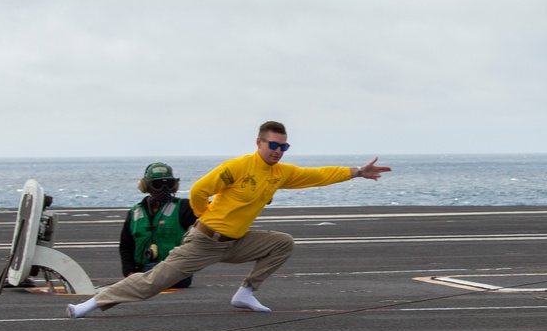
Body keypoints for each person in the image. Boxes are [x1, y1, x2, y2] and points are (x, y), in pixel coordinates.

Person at [67, 121, 391, 318]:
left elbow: (318, 175)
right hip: (204, 242)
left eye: (283, 146)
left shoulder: (281, 173)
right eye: (273, 145)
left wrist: (357, 172)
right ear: (259, 143)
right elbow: (199, 189)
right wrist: (204, 217)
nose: (278, 150)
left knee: (282, 243)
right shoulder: (238, 166)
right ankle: (93, 304)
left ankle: (245, 293)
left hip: (235, 243)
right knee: (153, 283)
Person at [120, 162, 196, 289]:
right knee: (147, 272)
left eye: (168, 184)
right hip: (143, 270)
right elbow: (126, 245)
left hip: (177, 271)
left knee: (151, 271)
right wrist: (129, 272)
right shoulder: (135, 213)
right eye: (158, 184)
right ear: (146, 186)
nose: (164, 189)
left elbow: (210, 213)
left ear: (174, 186)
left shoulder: (183, 208)